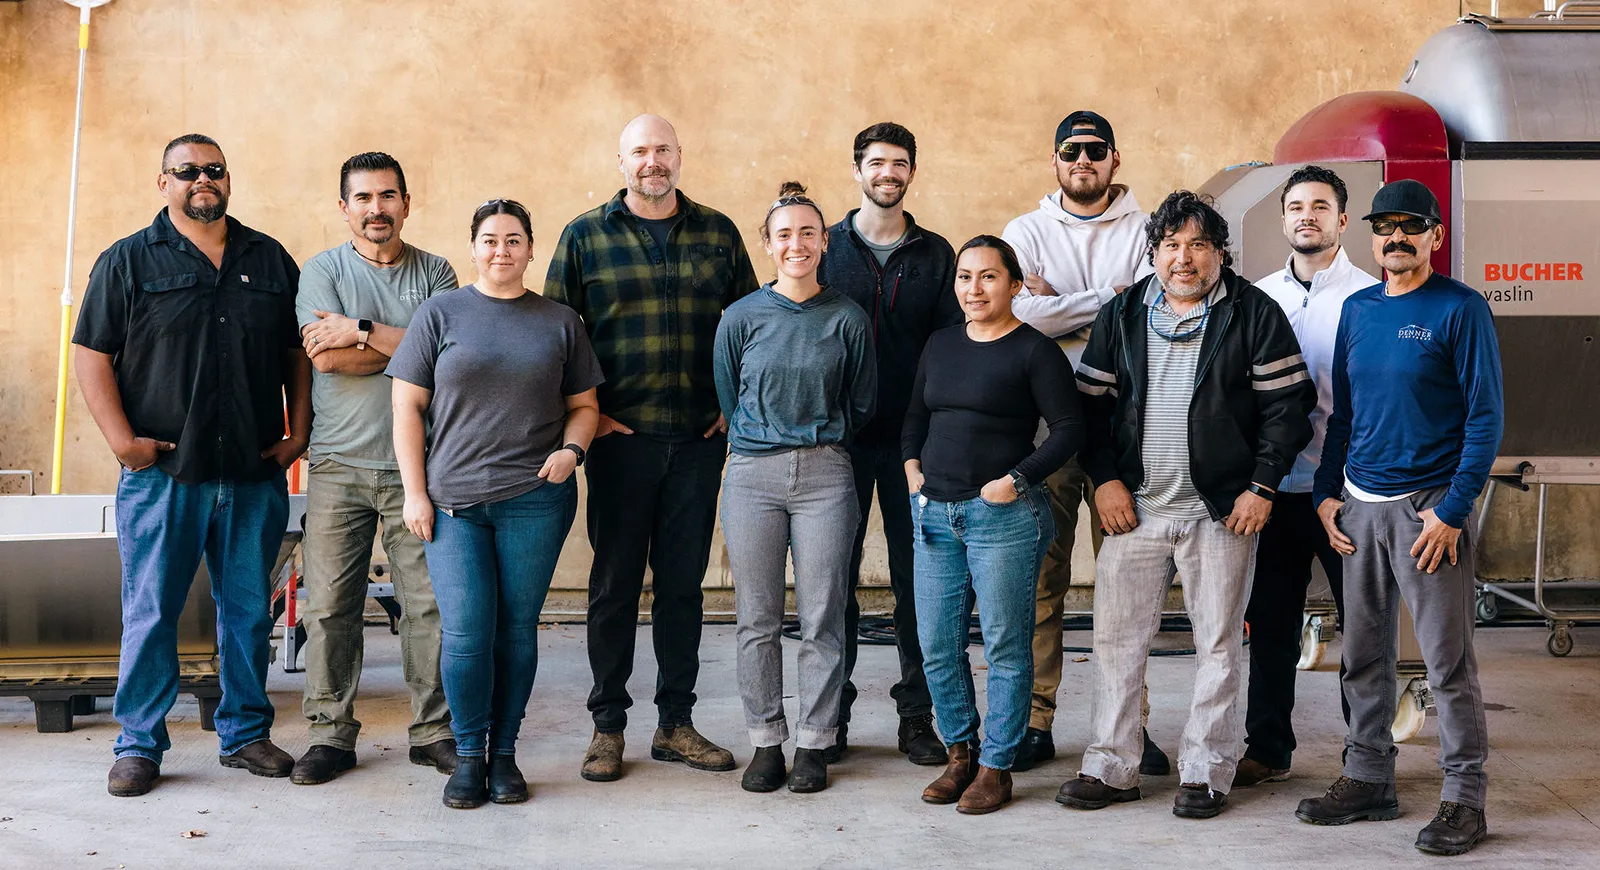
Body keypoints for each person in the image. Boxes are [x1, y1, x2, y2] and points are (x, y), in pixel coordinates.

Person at [1058, 191, 1314, 819]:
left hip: (1221, 511)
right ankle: (1111, 767)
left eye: (1198, 244)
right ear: (1154, 252)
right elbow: (1087, 411)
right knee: (1117, 642)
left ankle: (1206, 772)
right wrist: (1105, 481)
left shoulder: (1254, 313)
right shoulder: (1121, 314)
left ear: (1220, 252)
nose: (1183, 257)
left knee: (1219, 644)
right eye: (1171, 245)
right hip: (1135, 509)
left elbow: (1289, 410)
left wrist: (1261, 486)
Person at [74, 134, 310, 797]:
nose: (201, 180)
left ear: (228, 180)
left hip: (251, 471)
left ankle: (244, 734)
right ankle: (139, 745)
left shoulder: (268, 260)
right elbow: (92, 355)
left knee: (247, 613)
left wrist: (300, 433)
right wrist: (123, 442)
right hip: (162, 478)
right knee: (150, 611)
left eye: (213, 171)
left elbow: (296, 353)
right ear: (164, 183)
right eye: (187, 172)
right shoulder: (127, 261)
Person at [546, 114, 757, 783]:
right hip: (619, 441)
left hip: (697, 442)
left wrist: (733, 404)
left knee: (683, 589)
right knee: (612, 587)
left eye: (663, 149)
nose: (652, 161)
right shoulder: (584, 236)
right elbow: (555, 332)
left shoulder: (717, 232)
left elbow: (754, 322)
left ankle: (676, 723)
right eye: (640, 151)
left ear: (679, 156)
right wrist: (588, 413)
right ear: (622, 161)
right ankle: (608, 726)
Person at [1297, 180, 1503, 856]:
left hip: (1427, 512)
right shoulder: (1358, 310)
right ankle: (1368, 778)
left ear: (1435, 236)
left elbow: (1485, 418)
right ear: (1372, 235)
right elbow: (1345, 416)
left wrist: (1451, 509)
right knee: (1362, 655)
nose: (1397, 238)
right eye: (1386, 226)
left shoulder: (1461, 309)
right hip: (1361, 507)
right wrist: (1330, 494)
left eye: (1411, 227)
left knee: (1446, 665)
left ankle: (1464, 801)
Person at [389, 199, 604, 809]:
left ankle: (505, 753)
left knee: (515, 631)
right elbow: (407, 407)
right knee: (464, 635)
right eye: (489, 239)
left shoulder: (560, 321)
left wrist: (572, 452)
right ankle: (468, 753)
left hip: (535, 500)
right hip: (451, 503)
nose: (501, 250)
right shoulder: (440, 313)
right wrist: (414, 492)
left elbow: (584, 406)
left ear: (531, 250)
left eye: (513, 240)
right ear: (473, 246)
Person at [1001, 110, 1163, 773]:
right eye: (1072, 151)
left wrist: (1060, 302)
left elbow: (1151, 308)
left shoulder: (1149, 228)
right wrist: (1111, 299)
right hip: (1045, 429)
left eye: (1097, 150)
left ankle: (1131, 725)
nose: (1084, 160)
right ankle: (1036, 720)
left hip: (1128, 431)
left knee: (1129, 589)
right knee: (1041, 582)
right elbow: (1016, 312)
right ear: (1056, 161)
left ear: (1115, 160)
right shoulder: (1026, 230)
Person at [290, 152, 460, 785]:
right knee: (330, 606)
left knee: (428, 606)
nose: (376, 209)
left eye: (387, 196)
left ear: (406, 204)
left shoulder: (436, 271)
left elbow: (446, 358)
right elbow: (325, 361)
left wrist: (357, 330)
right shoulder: (322, 270)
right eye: (363, 198)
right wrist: (401, 344)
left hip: (419, 468)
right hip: (337, 464)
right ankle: (330, 735)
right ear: (344, 207)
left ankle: (433, 731)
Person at [905, 236, 1083, 814]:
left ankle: (996, 766)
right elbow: (915, 416)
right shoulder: (939, 344)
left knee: (1006, 644)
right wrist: (911, 468)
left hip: (1002, 516)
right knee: (936, 642)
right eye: (964, 277)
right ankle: (960, 754)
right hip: (935, 512)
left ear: (1013, 284)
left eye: (987, 277)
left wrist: (1017, 479)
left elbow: (1067, 431)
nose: (973, 289)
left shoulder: (1035, 352)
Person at [714, 182, 876, 795]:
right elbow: (730, 397)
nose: (796, 244)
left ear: (824, 241)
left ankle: (813, 741)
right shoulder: (741, 317)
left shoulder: (846, 318)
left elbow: (861, 403)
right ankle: (765, 740)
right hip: (752, 475)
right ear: (768, 244)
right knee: (756, 618)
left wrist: (817, 438)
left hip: (827, 474)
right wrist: (764, 439)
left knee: (822, 616)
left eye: (808, 232)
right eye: (784, 234)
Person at [818, 122, 962, 766]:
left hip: (915, 446)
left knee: (918, 584)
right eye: (876, 163)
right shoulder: (825, 248)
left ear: (912, 172)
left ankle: (916, 716)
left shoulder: (935, 254)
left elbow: (950, 350)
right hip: (838, 444)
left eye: (899, 163)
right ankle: (832, 715)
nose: (888, 173)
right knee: (831, 584)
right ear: (857, 170)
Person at [1236, 166, 1378, 789]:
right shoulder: (1255, 296)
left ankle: (1366, 752)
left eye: (1321, 206)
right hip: (1274, 489)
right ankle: (1267, 747)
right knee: (1269, 626)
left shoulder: (1371, 297)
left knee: (1364, 629)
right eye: (1296, 206)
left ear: (1342, 220)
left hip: (1347, 492)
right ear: (1283, 217)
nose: (1307, 216)